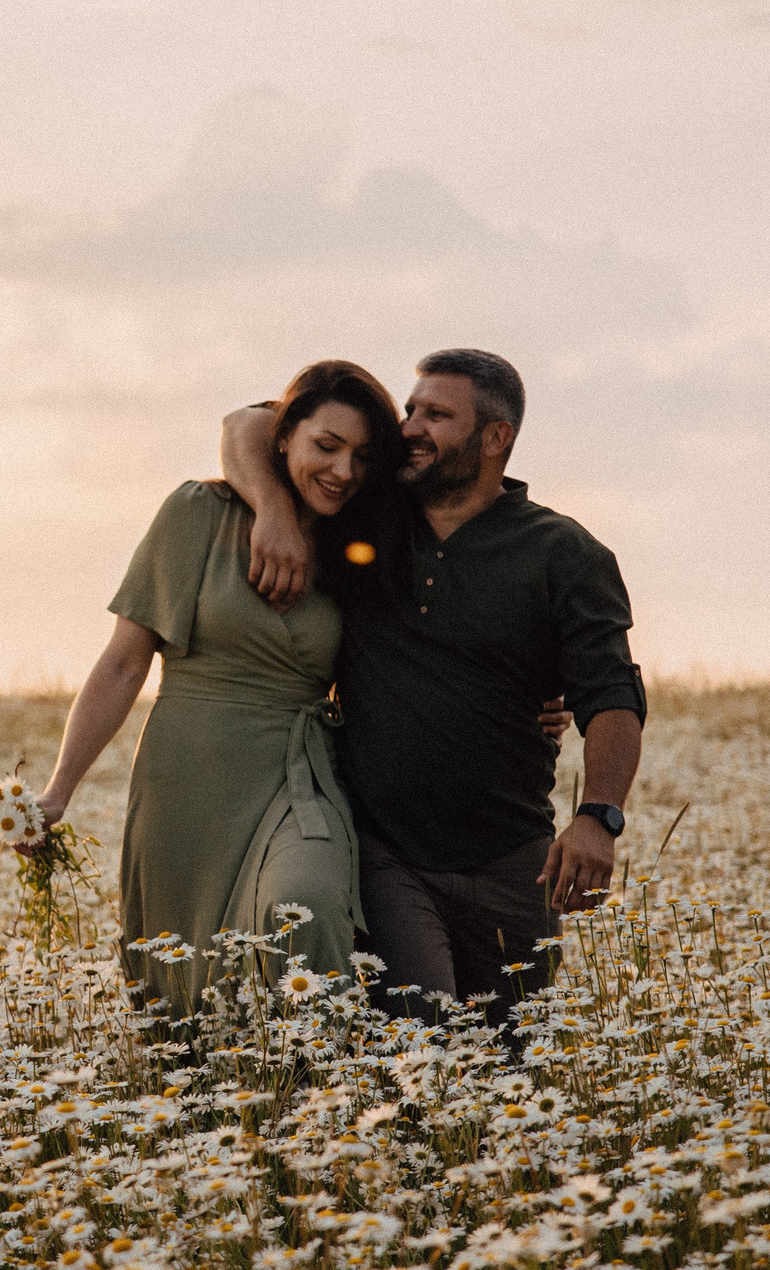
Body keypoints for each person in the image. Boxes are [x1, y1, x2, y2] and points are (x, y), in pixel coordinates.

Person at [220, 348, 644, 1049]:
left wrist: (598, 818)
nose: (411, 425)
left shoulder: (566, 554)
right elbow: (249, 421)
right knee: (424, 1049)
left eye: (436, 415)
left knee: (509, 1070)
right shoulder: (369, 515)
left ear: (496, 438)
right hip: (390, 855)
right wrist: (272, 507)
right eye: (411, 409)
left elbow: (612, 696)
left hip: (515, 861)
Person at [34, 361, 395, 1014]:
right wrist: (59, 791)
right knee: (186, 984)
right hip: (185, 778)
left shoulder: (366, 544)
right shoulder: (196, 512)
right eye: (327, 446)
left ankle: (322, 1092)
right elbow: (123, 664)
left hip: (296, 775)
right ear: (282, 437)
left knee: (305, 908)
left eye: (362, 457)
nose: (343, 471)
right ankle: (208, 1106)